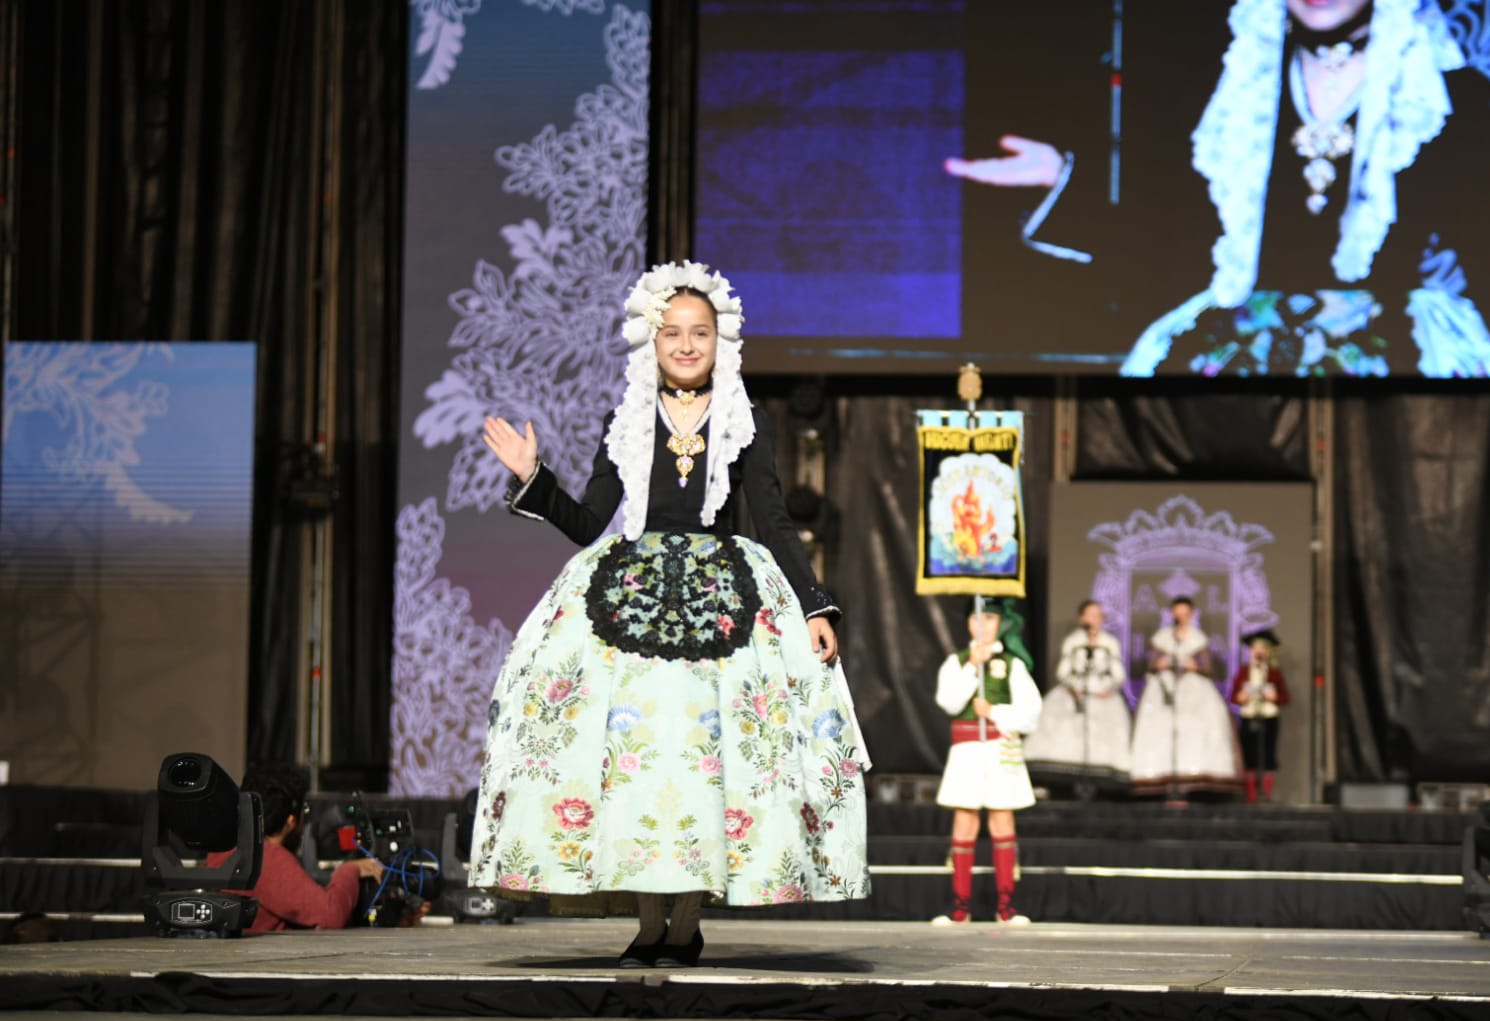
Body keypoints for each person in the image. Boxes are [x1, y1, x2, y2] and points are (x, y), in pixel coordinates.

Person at [471, 261, 870, 968]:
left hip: (723, 600)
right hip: (630, 596)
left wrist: (813, 605)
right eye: (672, 334)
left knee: (702, 762)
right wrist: (534, 478)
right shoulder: (625, 418)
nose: (686, 345)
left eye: (700, 333)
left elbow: (775, 521)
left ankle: (683, 923)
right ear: (649, 342)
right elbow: (589, 521)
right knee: (640, 760)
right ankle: (651, 923)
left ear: (722, 340)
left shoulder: (748, 419)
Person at [949, 0, 1490, 377]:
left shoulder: (1440, 97)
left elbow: (1488, 253)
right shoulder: (1232, 86)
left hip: (1387, 347)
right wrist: (1063, 174)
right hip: (1237, 340)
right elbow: (1165, 224)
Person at [932, 598, 1041, 926]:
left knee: (1002, 821)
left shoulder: (1012, 664)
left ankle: (1006, 908)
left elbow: (1031, 715)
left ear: (999, 624)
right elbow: (948, 702)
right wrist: (971, 667)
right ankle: (959, 908)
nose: (984, 625)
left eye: (991, 618)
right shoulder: (956, 662)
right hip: (967, 750)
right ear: (969, 623)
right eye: (979, 618)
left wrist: (993, 712)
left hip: (998, 748)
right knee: (964, 821)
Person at [204, 765, 388, 933]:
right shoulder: (267, 858)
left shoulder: (223, 850)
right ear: (291, 821)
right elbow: (330, 915)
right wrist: (350, 870)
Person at [1127, 597, 1243, 795]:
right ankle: (1160, 776)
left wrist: (1195, 666)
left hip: (1193, 687)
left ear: (1191, 614)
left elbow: (1208, 668)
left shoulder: (1198, 637)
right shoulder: (1163, 636)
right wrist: (1159, 665)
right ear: (1172, 613)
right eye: (1177, 613)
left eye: (1185, 613)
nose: (1181, 617)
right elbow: (1152, 664)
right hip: (1165, 687)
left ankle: (1191, 775)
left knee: (1193, 728)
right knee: (1161, 727)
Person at [1025, 599, 1132, 785]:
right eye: (1090, 615)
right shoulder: (1073, 641)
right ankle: (1065, 778)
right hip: (1075, 692)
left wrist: (1108, 688)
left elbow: (1118, 673)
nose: (1094, 619)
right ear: (1081, 618)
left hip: (1102, 693)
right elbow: (1063, 671)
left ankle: (1102, 779)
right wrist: (1074, 689)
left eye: (1098, 615)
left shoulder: (1110, 642)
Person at [1230, 628, 1291, 803]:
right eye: (1255, 648)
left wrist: (1275, 697)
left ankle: (1266, 795)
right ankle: (1250, 797)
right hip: (1249, 716)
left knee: (1268, 755)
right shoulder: (1243, 672)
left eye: (1263, 647)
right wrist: (1241, 697)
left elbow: (1285, 697)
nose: (1258, 651)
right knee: (1250, 756)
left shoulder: (1273, 673)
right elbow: (1233, 697)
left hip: (1269, 716)